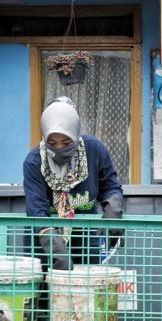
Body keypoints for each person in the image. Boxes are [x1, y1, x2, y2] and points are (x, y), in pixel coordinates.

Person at [23, 96, 124, 270]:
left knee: (85, 290)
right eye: (52, 143)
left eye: (66, 141)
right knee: (45, 293)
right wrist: (55, 249)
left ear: (76, 133)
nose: (60, 148)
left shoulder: (94, 150)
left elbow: (110, 185)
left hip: (85, 239)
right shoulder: (34, 162)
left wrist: (114, 207)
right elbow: (36, 210)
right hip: (44, 242)